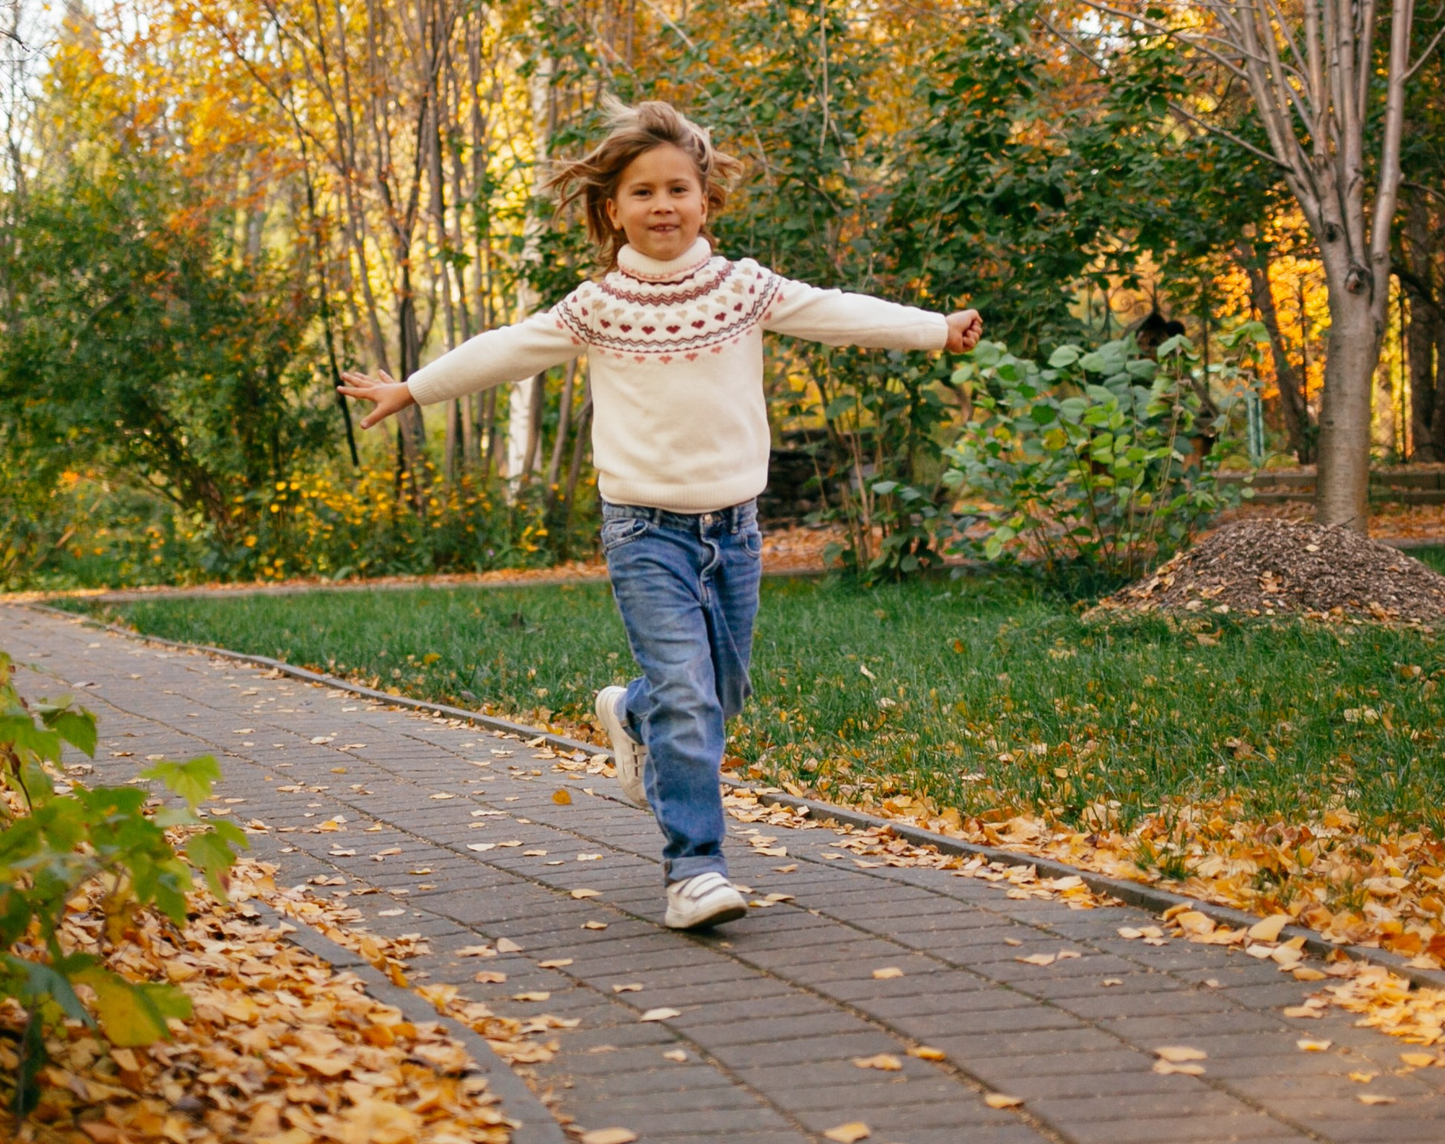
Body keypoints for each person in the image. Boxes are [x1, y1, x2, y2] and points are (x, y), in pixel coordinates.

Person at [341, 100, 981, 931]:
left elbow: (834, 312)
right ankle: (694, 870)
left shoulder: (744, 289)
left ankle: (631, 711)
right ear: (614, 210)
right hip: (644, 531)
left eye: (678, 188)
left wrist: (935, 329)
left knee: (717, 694)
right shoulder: (599, 305)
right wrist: (413, 388)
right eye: (642, 192)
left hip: (735, 529)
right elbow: (504, 347)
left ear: (705, 199)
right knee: (692, 697)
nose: (663, 205)